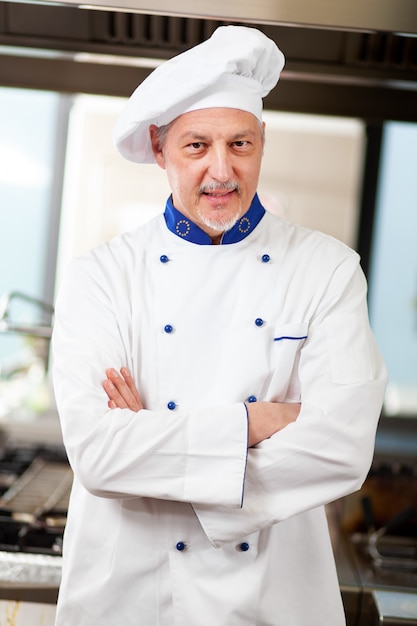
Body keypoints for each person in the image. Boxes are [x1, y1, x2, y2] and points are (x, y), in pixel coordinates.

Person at [52, 25, 387, 626]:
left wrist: (152, 442)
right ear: (159, 148)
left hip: (270, 599)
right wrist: (255, 423)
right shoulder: (101, 276)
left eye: (240, 144)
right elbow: (98, 454)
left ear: (263, 141)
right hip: (127, 598)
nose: (221, 171)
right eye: (196, 146)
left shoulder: (327, 270)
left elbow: (340, 448)